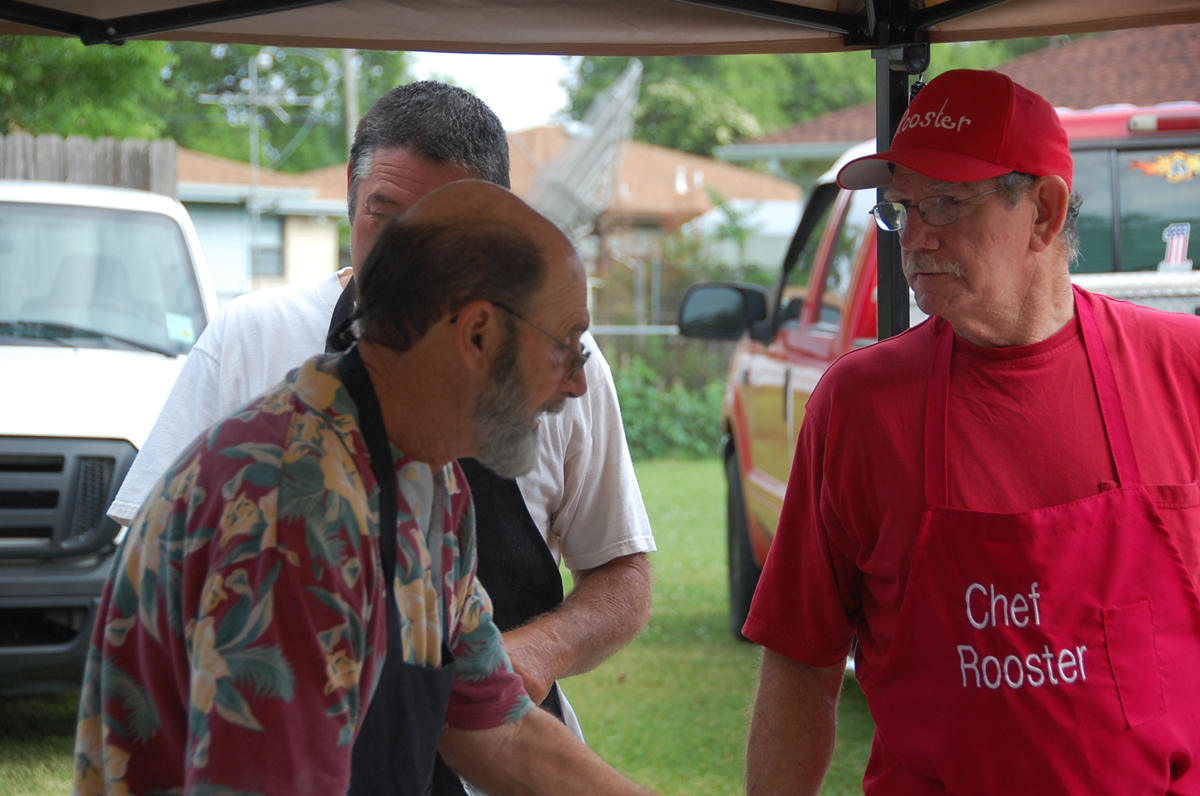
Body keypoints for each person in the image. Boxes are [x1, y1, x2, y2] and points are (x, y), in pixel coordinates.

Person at [108, 81, 655, 773]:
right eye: (567, 348)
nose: (578, 382)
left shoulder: (431, 487)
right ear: (477, 335)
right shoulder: (291, 506)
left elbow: (493, 726)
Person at [743, 69, 1200, 796]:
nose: (915, 236)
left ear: (1044, 211)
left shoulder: (1181, 369)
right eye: (903, 208)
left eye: (946, 204)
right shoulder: (861, 406)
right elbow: (802, 659)